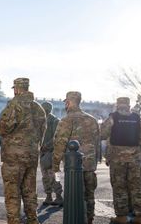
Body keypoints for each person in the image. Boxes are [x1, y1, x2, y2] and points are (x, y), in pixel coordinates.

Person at [0, 78, 46, 224]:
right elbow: (42, 132)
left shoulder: (14, 105)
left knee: (12, 193)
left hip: (13, 157)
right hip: (31, 155)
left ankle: (14, 221)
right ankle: (32, 220)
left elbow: (2, 128)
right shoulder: (39, 108)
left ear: (16, 89)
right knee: (30, 191)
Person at [52, 91, 99, 224]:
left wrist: (55, 166)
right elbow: (97, 143)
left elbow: (59, 144)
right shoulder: (92, 120)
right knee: (89, 195)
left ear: (68, 102)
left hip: (73, 166)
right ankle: (89, 220)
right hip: (90, 164)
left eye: (66, 102)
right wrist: (95, 160)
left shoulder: (66, 120)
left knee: (74, 196)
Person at [101, 97, 141, 224]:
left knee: (119, 186)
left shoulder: (113, 117)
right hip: (135, 157)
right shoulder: (138, 118)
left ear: (118, 105)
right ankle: (140, 217)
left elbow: (102, 134)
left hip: (117, 157)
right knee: (136, 186)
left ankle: (122, 217)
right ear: (129, 105)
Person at [40, 101, 63, 206]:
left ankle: (59, 196)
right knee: (45, 176)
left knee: (55, 175)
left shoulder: (55, 121)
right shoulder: (40, 121)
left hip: (53, 153)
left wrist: (45, 146)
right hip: (43, 154)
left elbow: (56, 137)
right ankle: (48, 196)